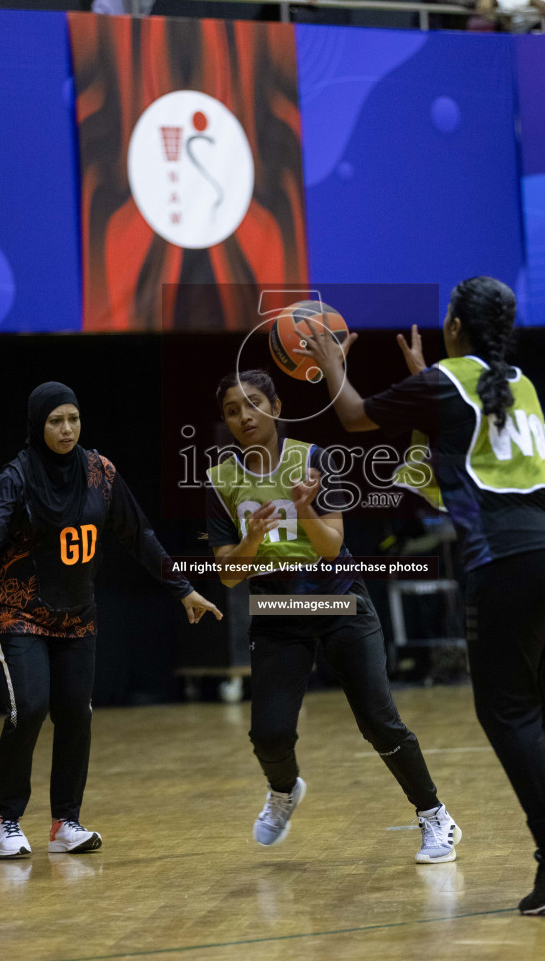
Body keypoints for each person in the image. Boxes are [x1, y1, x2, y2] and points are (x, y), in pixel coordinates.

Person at [300, 277, 545, 914]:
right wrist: (426, 384)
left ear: (454, 325)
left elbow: (352, 416)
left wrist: (333, 367)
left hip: (506, 557)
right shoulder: (519, 385)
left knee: (504, 712)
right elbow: (459, 437)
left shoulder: (444, 381)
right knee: (527, 708)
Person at [205, 369, 461, 862]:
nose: (244, 416)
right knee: (269, 733)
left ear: (276, 408)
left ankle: (435, 816)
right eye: (233, 410)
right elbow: (230, 576)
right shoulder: (220, 481)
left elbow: (332, 546)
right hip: (279, 611)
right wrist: (253, 538)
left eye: (253, 404)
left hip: (339, 601)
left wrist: (303, 510)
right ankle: (283, 791)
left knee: (379, 722)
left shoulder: (314, 460)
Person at [0, 382, 221, 859]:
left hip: (77, 614)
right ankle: (7, 820)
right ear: (39, 425)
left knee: (77, 713)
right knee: (30, 707)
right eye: (56, 421)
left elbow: (139, 533)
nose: (67, 429)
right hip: (18, 610)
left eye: (73, 419)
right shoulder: (16, 477)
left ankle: (66, 823)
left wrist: (182, 588)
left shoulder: (100, 472)